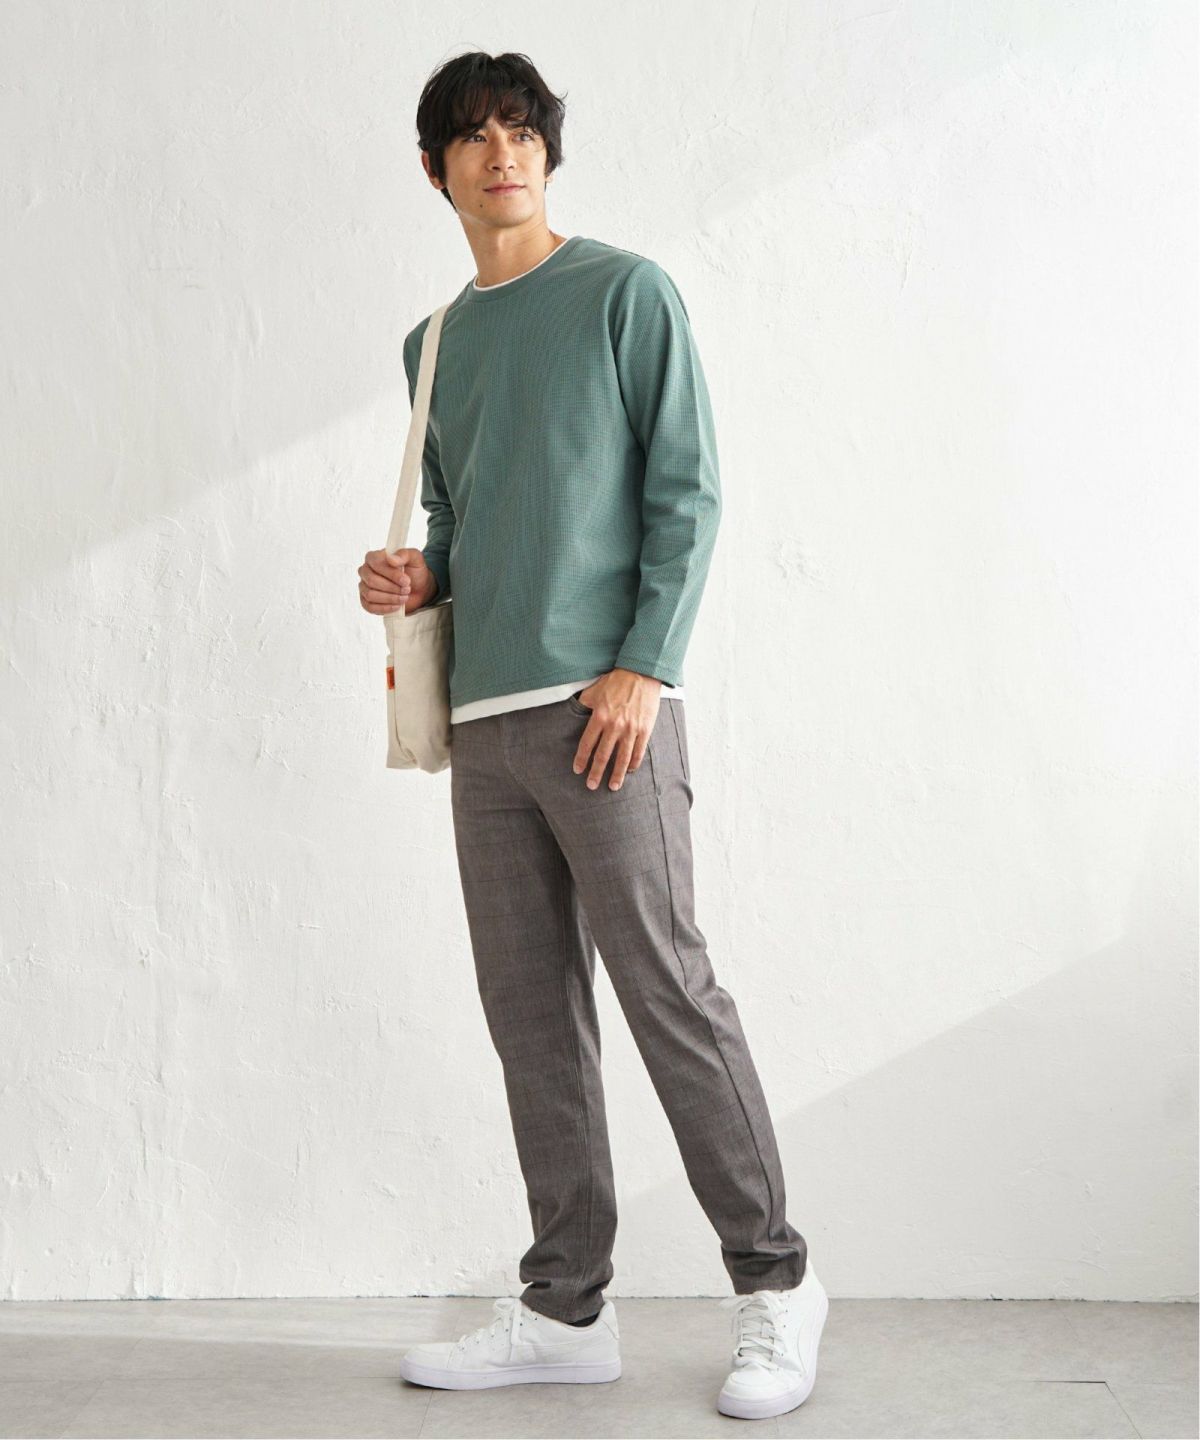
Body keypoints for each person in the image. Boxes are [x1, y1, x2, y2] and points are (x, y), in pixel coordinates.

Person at [357, 50, 828, 1422]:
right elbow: (460, 518)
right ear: (437, 169)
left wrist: (643, 668)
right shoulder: (432, 344)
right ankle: (565, 1307)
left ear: (547, 153)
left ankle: (779, 1282)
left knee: (668, 994)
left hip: (603, 715)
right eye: (474, 136)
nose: (502, 152)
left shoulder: (627, 292)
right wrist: (419, 579)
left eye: (522, 130)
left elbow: (688, 492)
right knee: (533, 1024)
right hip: (484, 727)